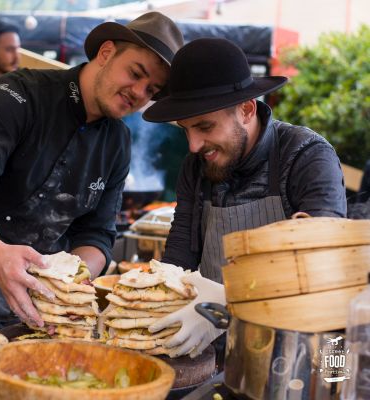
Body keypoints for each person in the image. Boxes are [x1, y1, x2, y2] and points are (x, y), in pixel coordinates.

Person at [0, 12, 185, 330]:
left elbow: (97, 233)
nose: (139, 92)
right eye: (135, 73)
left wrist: (72, 280)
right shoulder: (18, 93)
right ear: (107, 52)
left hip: (43, 313)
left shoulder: (118, 143)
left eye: (152, 89)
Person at [143, 38, 347, 357]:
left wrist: (229, 298)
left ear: (246, 110)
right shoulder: (195, 167)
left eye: (205, 126)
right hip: (226, 347)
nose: (194, 145)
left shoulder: (307, 156)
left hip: (310, 351)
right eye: (185, 130)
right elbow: (178, 258)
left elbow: (322, 265)